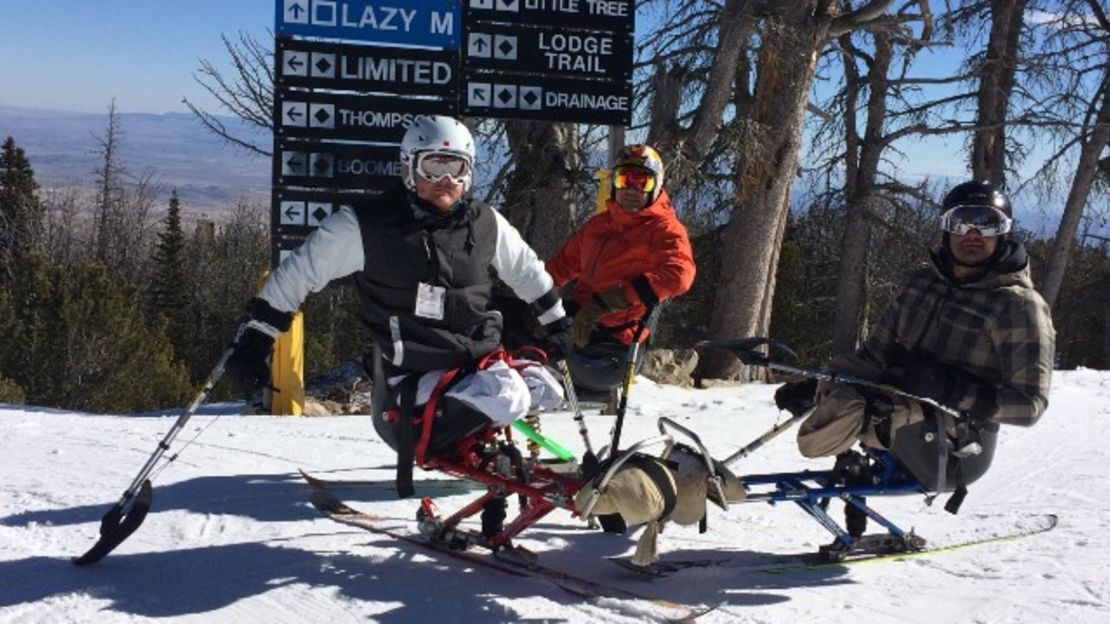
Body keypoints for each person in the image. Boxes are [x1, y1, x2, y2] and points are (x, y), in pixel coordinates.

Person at [223, 115, 572, 506]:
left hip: (474, 362)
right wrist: (255, 340)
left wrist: (556, 322)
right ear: (409, 167)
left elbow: (526, 270)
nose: (446, 181)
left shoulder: (485, 223)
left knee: (549, 388)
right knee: (509, 397)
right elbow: (298, 274)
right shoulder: (367, 226)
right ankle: (446, 440)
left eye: (456, 168)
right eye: (433, 166)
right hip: (413, 376)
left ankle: (474, 439)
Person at [779, 180, 1055, 530]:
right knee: (841, 371)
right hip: (904, 402)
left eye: (986, 223)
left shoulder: (1017, 307)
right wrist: (820, 385)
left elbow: (1030, 405)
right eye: (960, 222)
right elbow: (874, 354)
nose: (972, 233)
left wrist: (948, 388)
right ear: (946, 228)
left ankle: (828, 437)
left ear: (1004, 233)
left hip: (954, 443)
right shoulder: (922, 284)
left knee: (851, 406)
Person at [544, 144, 696, 396]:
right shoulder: (598, 226)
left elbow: (680, 274)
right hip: (577, 331)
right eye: (624, 179)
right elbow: (559, 268)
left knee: (527, 364)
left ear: (656, 186)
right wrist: (523, 294)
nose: (631, 189)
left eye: (642, 182)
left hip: (614, 351)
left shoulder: (663, 229)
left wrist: (613, 300)